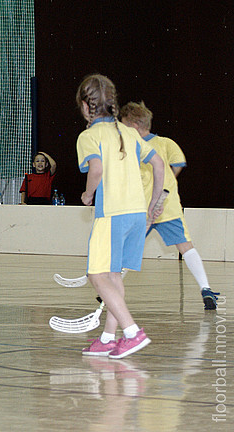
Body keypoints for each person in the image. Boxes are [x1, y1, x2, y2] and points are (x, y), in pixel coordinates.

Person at [75, 74, 166, 359]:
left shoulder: (89, 136)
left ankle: (131, 331)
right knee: (114, 275)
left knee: (97, 274)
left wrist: (88, 195)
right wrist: (154, 203)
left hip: (111, 214)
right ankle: (106, 338)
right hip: (136, 214)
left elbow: (97, 169)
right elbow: (158, 163)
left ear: (85, 106)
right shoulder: (129, 132)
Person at [119, 101, 220, 310]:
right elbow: (178, 163)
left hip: (147, 208)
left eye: (123, 125)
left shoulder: (138, 146)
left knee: (129, 247)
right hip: (164, 207)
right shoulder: (166, 143)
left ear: (134, 126)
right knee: (185, 247)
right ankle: (206, 289)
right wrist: (168, 182)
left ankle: (110, 291)